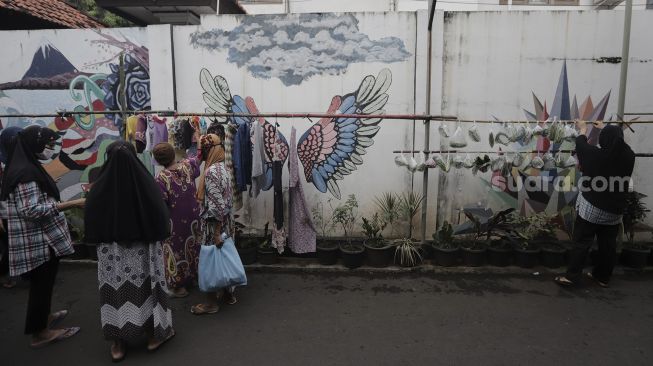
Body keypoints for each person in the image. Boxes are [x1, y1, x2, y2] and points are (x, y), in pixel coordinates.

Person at [85, 140, 174, 362]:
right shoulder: (146, 183)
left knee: (116, 292)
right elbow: (161, 215)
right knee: (148, 288)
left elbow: (92, 220)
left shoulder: (99, 188)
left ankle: (118, 341)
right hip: (143, 250)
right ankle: (154, 334)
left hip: (113, 254)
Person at [0, 125, 84, 348]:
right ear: (34, 144)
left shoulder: (21, 165)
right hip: (37, 239)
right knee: (41, 283)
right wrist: (72, 203)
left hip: (38, 238)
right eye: (45, 145)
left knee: (44, 282)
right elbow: (30, 210)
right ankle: (41, 333)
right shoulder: (26, 173)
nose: (48, 149)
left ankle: (42, 318)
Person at [555, 121, 635, 288]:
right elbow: (617, 142)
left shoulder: (596, 156)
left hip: (593, 208)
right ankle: (602, 277)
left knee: (582, 242)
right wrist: (605, 128)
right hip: (615, 210)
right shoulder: (629, 156)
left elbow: (581, 144)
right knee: (607, 244)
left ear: (605, 140)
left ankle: (573, 276)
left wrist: (583, 129)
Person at [191, 133, 237, 315]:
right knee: (223, 259)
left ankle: (211, 303)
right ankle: (228, 295)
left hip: (214, 225)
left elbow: (217, 206)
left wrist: (216, 233)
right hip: (226, 223)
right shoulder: (223, 168)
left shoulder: (210, 173)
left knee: (210, 262)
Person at [152, 142, 201, 298]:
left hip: (174, 222)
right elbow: (197, 157)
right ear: (174, 154)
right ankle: (194, 278)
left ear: (158, 161)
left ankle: (179, 287)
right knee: (194, 246)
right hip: (194, 218)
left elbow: (161, 204)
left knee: (175, 251)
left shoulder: (160, 178)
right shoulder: (188, 166)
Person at [0, 126, 22, 289]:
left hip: (14, 211)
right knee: (8, 248)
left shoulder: (17, 159)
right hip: (4, 212)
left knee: (13, 246)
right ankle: (7, 276)